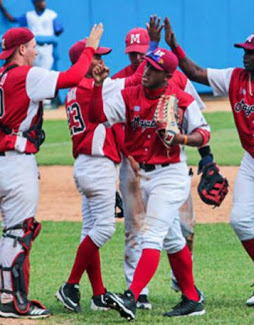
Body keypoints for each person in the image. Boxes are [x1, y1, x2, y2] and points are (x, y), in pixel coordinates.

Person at [163, 18, 254, 310]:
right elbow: (194, 72)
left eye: (251, 51)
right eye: (244, 50)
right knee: (240, 220)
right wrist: (174, 47)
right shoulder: (234, 78)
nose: (244, 55)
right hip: (252, 162)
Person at [0, 24, 104, 319]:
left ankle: (6, 295)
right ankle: (12, 302)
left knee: (12, 232)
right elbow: (72, 77)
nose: (36, 51)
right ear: (21, 49)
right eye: (33, 46)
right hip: (15, 164)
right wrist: (90, 48)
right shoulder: (26, 75)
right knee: (20, 234)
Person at [91, 46, 210, 320]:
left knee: (152, 235)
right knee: (172, 239)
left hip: (171, 175)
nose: (145, 72)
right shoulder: (129, 94)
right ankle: (192, 300)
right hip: (143, 176)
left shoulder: (180, 99)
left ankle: (131, 297)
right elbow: (98, 116)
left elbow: (204, 133)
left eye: (153, 70)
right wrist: (98, 87)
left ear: (167, 76)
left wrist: (181, 139)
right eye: (146, 66)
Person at [53, 39, 122, 313]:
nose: (102, 62)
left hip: (85, 166)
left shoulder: (74, 90)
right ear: (83, 62)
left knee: (90, 230)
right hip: (96, 165)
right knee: (105, 229)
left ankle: (98, 294)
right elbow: (130, 82)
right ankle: (70, 285)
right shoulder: (90, 89)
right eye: (96, 57)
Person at [0, 0, 63, 70]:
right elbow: (12, 19)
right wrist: (2, 7)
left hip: (47, 48)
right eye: (40, 1)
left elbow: (59, 30)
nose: (43, 3)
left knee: (45, 72)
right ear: (35, 3)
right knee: (33, 72)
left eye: (43, 1)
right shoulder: (29, 15)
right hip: (34, 48)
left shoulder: (51, 14)